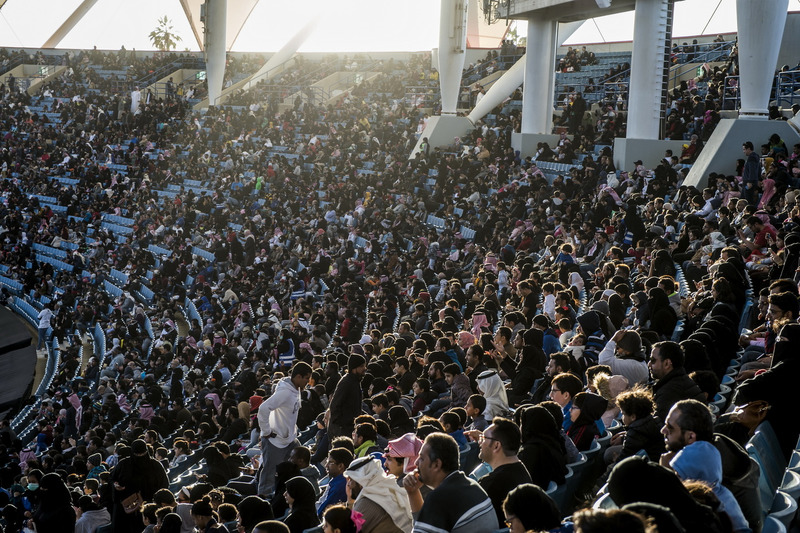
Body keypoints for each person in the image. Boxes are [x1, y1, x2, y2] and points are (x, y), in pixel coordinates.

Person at [661, 399, 762, 533]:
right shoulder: (716, 449)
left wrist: (668, 475)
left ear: (691, 437)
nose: (663, 431)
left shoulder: (703, 475)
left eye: (670, 427)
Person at [403, 432, 499, 532]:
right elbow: (423, 526)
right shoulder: (472, 485)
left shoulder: (440, 498)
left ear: (436, 464)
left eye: (422, 458)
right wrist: (413, 493)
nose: (416, 463)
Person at [257, 362, 312, 496]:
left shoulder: (295, 388)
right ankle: (263, 501)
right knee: (269, 474)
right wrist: (266, 431)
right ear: (298, 377)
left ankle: (290, 494)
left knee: (298, 464)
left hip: (289, 439)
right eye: (306, 378)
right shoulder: (285, 392)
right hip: (275, 441)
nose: (308, 382)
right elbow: (263, 409)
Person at [477, 418, 532, 523]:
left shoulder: (491, 483)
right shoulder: (521, 470)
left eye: (483, 438)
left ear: (496, 445)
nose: (480, 442)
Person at [110, 439, 169, 533]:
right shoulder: (124, 465)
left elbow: (164, 485)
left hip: (148, 509)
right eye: (137, 455)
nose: (140, 457)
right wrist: (115, 485)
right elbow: (113, 479)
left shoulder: (155, 466)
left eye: (143, 454)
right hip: (125, 509)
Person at [344, 456, 413, 532]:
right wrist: (350, 501)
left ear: (361, 481)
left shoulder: (367, 502)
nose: (348, 484)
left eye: (351, 480)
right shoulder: (388, 490)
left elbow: (347, 530)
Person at [648, 341, 705, 422]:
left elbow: (657, 426)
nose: (649, 364)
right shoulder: (680, 381)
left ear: (667, 363)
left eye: (653, 360)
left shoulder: (670, 392)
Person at [516, 405, 568, 489]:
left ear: (530, 425)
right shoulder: (555, 443)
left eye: (522, 423)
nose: (520, 427)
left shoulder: (530, 452)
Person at [328, 355, 366, 438]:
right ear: (354, 368)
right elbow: (335, 405)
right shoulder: (347, 382)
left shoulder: (355, 381)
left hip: (348, 427)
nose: (364, 368)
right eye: (361, 366)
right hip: (342, 430)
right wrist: (341, 426)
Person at [317, 447, 352, 516]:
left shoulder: (340, 486)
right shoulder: (337, 480)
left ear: (340, 466)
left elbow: (321, 512)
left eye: (330, 462)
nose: (326, 465)